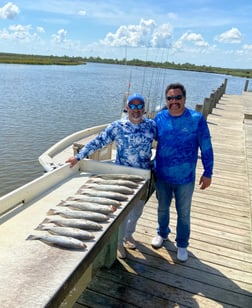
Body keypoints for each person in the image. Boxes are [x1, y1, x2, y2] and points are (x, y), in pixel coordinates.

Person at [66, 93, 157, 259]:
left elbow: (167, 142)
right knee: (121, 212)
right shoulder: (117, 126)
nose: (136, 110)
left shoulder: (152, 125)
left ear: (144, 109)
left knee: (137, 210)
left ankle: (129, 235)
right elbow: (98, 141)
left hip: (144, 176)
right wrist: (78, 156)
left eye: (139, 106)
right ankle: (119, 242)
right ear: (127, 108)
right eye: (132, 106)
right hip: (121, 176)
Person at [151, 82, 214, 262]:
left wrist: (208, 172)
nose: (174, 101)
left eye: (178, 97)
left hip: (185, 178)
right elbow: (148, 137)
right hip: (162, 175)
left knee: (183, 213)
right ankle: (162, 233)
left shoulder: (196, 119)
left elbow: (206, 146)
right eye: (170, 98)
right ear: (166, 100)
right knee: (162, 208)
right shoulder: (160, 117)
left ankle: (182, 244)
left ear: (184, 98)